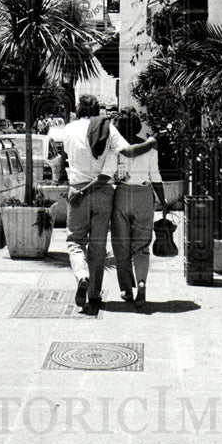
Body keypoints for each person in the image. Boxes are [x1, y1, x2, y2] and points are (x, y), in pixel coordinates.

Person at [59, 95, 158, 313]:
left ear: (78, 109)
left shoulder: (67, 129)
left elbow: (62, 160)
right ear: (96, 111)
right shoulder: (107, 129)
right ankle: (94, 293)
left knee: (75, 241)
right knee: (98, 245)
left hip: (77, 190)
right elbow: (130, 151)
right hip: (103, 192)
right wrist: (151, 143)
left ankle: (81, 276)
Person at [111, 107, 169, 304]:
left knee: (121, 245)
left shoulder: (116, 147)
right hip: (144, 195)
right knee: (142, 245)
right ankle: (142, 282)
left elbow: (111, 175)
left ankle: (127, 289)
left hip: (122, 194)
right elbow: (156, 176)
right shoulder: (149, 147)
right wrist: (163, 201)